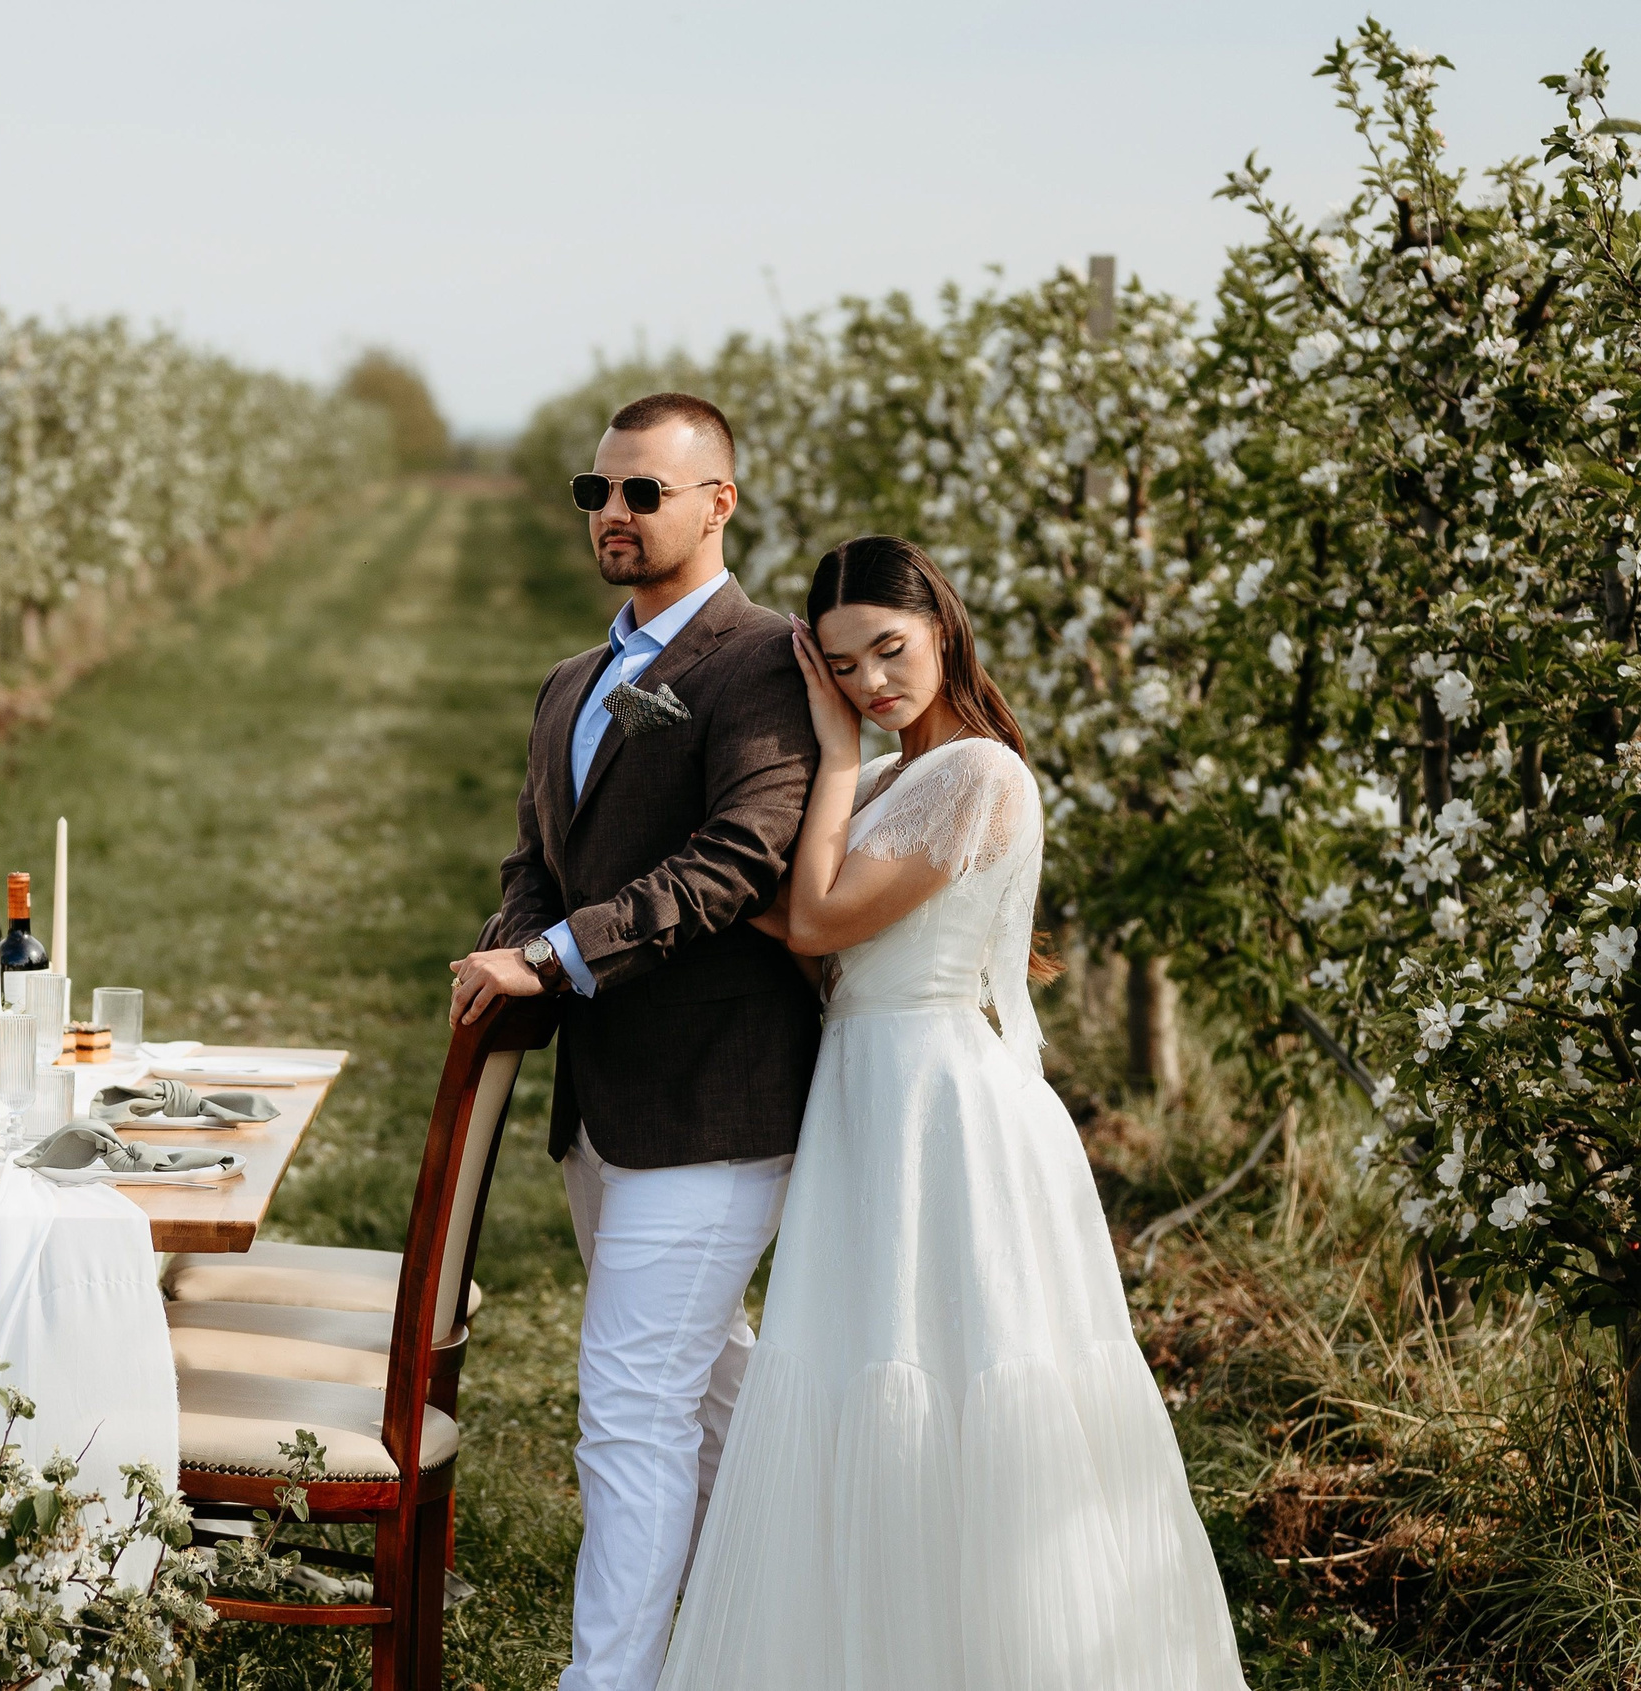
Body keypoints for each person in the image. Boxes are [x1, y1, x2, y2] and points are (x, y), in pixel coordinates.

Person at [655, 535, 1247, 1688]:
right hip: (867, 1101)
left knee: (961, 1376)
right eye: (842, 669)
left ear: (943, 631)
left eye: (890, 650)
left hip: (945, 1112)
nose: (873, 684)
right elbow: (784, 907)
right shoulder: (894, 782)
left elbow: (815, 921)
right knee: (862, 1370)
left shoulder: (978, 775)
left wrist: (827, 758)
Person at [449, 392, 820, 1691]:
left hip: (717, 1103)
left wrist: (549, 956)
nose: (612, 513)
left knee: (628, 1408)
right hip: (606, 1102)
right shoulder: (571, 679)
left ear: (719, 500)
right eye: (595, 492)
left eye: (642, 492)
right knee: (707, 1387)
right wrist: (515, 941)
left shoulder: (768, 659)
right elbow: (534, 860)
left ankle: (606, 1680)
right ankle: (743, 1640)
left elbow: (739, 857)